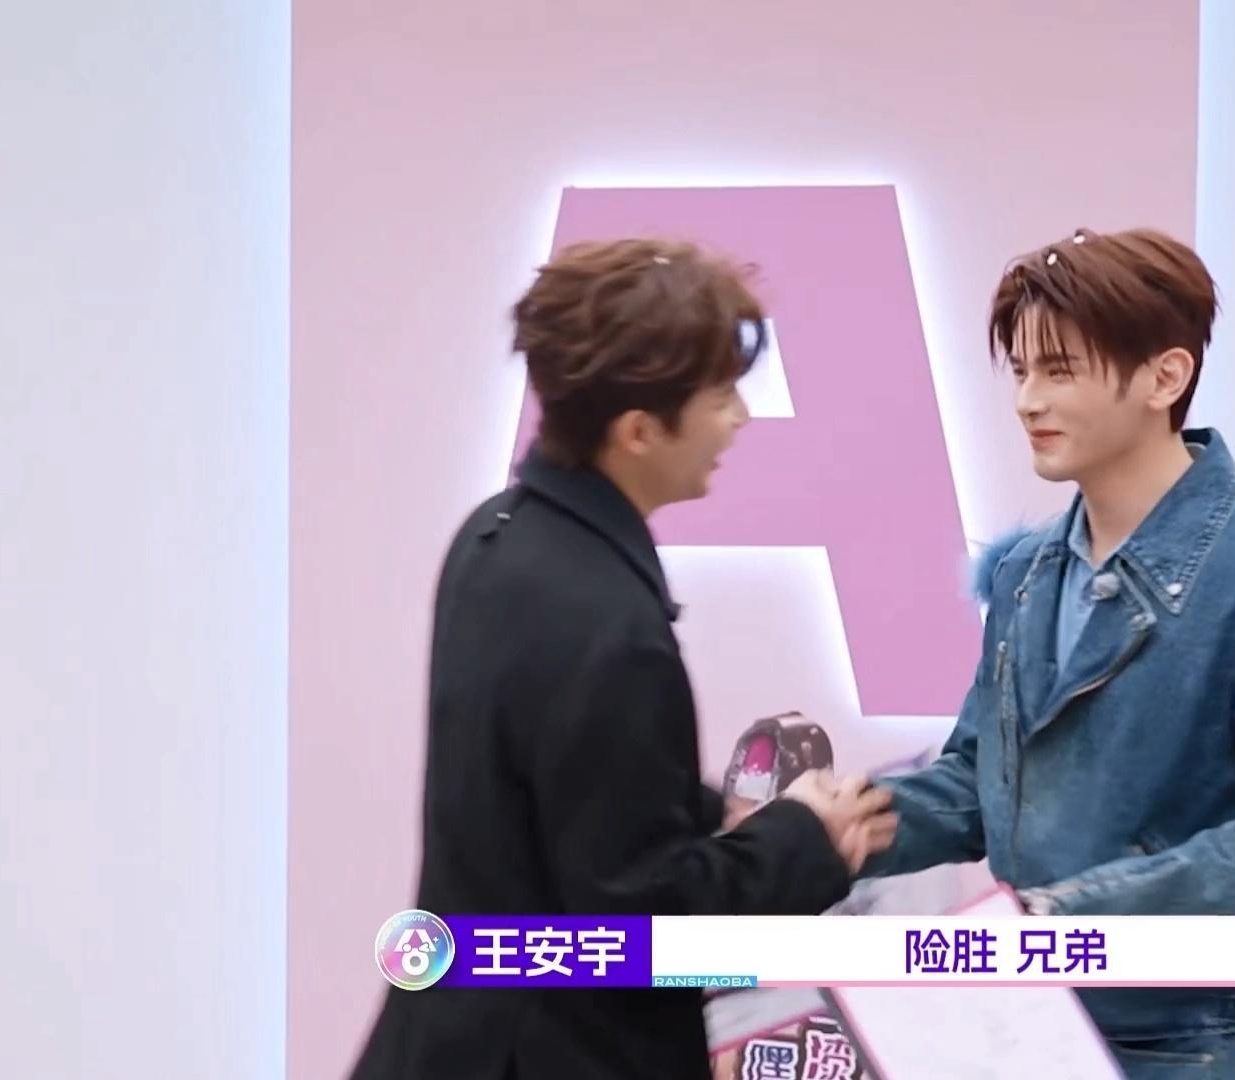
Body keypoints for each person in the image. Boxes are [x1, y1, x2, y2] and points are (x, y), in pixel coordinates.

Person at [352, 239, 898, 1080]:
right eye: (720, 398)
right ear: (638, 430)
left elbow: (567, 801)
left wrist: (724, 817)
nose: (739, 420)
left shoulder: (494, 538)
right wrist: (804, 840)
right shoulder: (609, 627)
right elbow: (643, 926)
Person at [862, 227, 1235, 1078]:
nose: (1028, 400)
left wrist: (1070, 916)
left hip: (1189, 1049)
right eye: (1020, 371)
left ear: (1165, 377)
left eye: (1059, 370)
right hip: (1028, 1032)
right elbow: (978, 783)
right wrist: (835, 828)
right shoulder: (1025, 575)